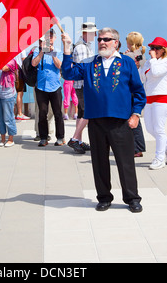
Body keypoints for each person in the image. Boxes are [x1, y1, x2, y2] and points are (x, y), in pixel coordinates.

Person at [62, 27, 146, 213]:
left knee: (125, 162)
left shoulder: (127, 62)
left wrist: (136, 114)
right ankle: (104, 198)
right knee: (99, 162)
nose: (102, 42)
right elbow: (68, 74)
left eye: (107, 39)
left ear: (115, 42)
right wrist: (67, 48)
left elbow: (138, 91)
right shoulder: (89, 63)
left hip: (121, 121)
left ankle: (132, 198)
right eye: (100, 39)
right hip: (96, 121)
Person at [138, 37, 167, 170]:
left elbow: (155, 73)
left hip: (162, 98)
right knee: (150, 128)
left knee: (159, 129)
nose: (153, 50)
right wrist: (140, 67)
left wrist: (153, 60)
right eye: (152, 48)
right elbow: (143, 78)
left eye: (156, 48)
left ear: (163, 50)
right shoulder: (150, 62)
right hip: (149, 98)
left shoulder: (166, 62)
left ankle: (159, 158)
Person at [32, 28, 65, 147]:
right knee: (42, 113)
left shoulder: (58, 51)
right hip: (41, 87)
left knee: (58, 113)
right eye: (47, 37)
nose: (49, 39)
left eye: (51, 37)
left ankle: (60, 137)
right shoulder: (37, 50)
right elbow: (34, 63)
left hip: (55, 86)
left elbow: (60, 65)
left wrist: (51, 53)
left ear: (54, 38)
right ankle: (43, 137)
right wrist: (42, 51)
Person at [67, 22, 96, 154]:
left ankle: (78, 140)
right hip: (85, 84)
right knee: (88, 112)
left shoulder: (83, 46)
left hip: (80, 84)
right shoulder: (82, 48)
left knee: (83, 113)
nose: (95, 35)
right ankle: (74, 138)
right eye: (93, 33)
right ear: (86, 33)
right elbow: (86, 68)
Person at [125, 31, 147, 157]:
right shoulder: (142, 56)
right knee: (136, 118)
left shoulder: (129, 56)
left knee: (132, 120)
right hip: (139, 90)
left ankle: (136, 148)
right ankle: (137, 147)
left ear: (130, 42)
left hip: (131, 91)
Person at [0, 58, 18, 147]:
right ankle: (2, 138)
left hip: (7, 92)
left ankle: (11, 139)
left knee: (8, 117)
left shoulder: (11, 60)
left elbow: (4, 68)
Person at [14, 50, 30, 121]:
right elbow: (24, 60)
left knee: (12, 93)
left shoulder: (10, 48)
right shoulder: (21, 49)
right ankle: (19, 113)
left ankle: (14, 113)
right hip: (19, 71)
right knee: (20, 92)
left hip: (11, 71)